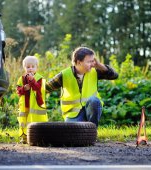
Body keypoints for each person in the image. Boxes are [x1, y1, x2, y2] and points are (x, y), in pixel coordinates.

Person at [46, 47, 118, 127]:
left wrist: (99, 65)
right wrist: (32, 82)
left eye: (93, 61)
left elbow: (114, 76)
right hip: (73, 114)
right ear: (79, 62)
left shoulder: (94, 71)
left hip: (90, 109)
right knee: (73, 134)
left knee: (94, 100)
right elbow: (46, 88)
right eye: (89, 62)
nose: (92, 64)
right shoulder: (64, 75)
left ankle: (92, 131)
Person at [16, 56, 48, 144]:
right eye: (28, 67)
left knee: (35, 120)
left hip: (35, 105)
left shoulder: (40, 78)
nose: (30, 69)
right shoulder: (21, 79)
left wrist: (32, 80)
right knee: (24, 121)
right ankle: (24, 137)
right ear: (24, 68)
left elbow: (38, 88)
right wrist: (23, 89)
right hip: (25, 105)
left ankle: (39, 137)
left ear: (36, 67)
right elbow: (18, 91)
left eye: (32, 67)